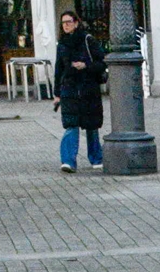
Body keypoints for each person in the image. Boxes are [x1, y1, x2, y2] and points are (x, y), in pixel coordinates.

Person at [52, 11, 105, 172]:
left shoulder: (88, 40)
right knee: (71, 124)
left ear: (76, 23)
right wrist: (56, 93)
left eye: (68, 22)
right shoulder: (61, 44)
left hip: (88, 88)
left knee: (91, 125)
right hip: (69, 88)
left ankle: (96, 158)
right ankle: (68, 161)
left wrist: (86, 66)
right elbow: (58, 69)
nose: (66, 25)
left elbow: (102, 63)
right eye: (63, 23)